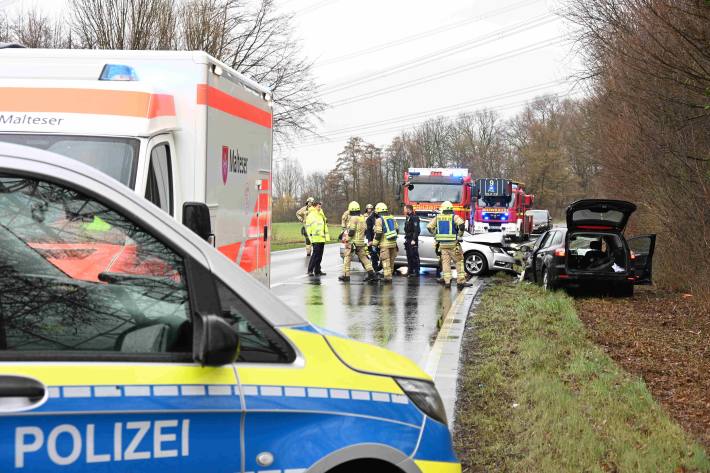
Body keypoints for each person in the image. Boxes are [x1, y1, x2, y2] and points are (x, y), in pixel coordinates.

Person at [428, 201, 472, 288]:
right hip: (453, 244)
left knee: (445, 263)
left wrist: (435, 234)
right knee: (459, 262)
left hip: (443, 245)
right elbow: (461, 225)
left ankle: (447, 281)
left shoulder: (438, 217)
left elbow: (429, 227)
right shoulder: (454, 217)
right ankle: (461, 281)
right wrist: (460, 234)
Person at [339, 201, 377, 283]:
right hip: (360, 242)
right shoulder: (362, 218)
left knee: (347, 258)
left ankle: (346, 275)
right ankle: (372, 274)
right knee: (364, 258)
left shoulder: (353, 218)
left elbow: (351, 231)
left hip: (352, 243)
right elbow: (366, 230)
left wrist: (346, 239)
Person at [372, 202, 399, 283]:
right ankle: (389, 276)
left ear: (378, 211)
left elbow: (378, 234)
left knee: (385, 261)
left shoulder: (379, 220)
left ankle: (387, 278)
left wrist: (374, 244)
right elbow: (397, 229)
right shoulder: (392, 218)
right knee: (391, 261)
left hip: (384, 244)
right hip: (393, 244)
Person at [305, 201, 329, 276]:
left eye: (320, 206)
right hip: (315, 238)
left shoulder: (321, 214)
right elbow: (308, 228)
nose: (320, 208)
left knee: (320, 256)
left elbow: (324, 225)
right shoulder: (310, 215)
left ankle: (317, 270)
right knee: (315, 255)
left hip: (321, 238)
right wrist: (310, 238)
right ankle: (310, 270)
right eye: (319, 206)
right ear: (314, 206)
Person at [364, 203, 382, 272]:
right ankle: (375, 269)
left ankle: (379, 266)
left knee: (381, 254)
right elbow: (368, 231)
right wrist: (370, 240)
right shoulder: (369, 219)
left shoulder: (380, 217)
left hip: (380, 239)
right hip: (373, 239)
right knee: (374, 254)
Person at [403, 205, 420, 277]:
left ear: (408, 209)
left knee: (414, 256)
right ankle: (410, 271)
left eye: (405, 209)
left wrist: (413, 239)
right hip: (408, 238)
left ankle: (416, 271)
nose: (404, 210)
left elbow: (417, 230)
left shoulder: (414, 217)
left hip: (412, 239)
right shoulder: (408, 217)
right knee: (409, 256)